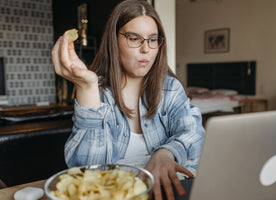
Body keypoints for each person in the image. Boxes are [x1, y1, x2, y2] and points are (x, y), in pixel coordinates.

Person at [51, 0, 205, 199]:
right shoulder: (97, 93)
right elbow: (87, 170)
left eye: (152, 39)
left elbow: (194, 133)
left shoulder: (170, 88)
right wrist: (87, 87)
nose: (146, 49)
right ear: (113, 40)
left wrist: (166, 153)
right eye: (134, 38)